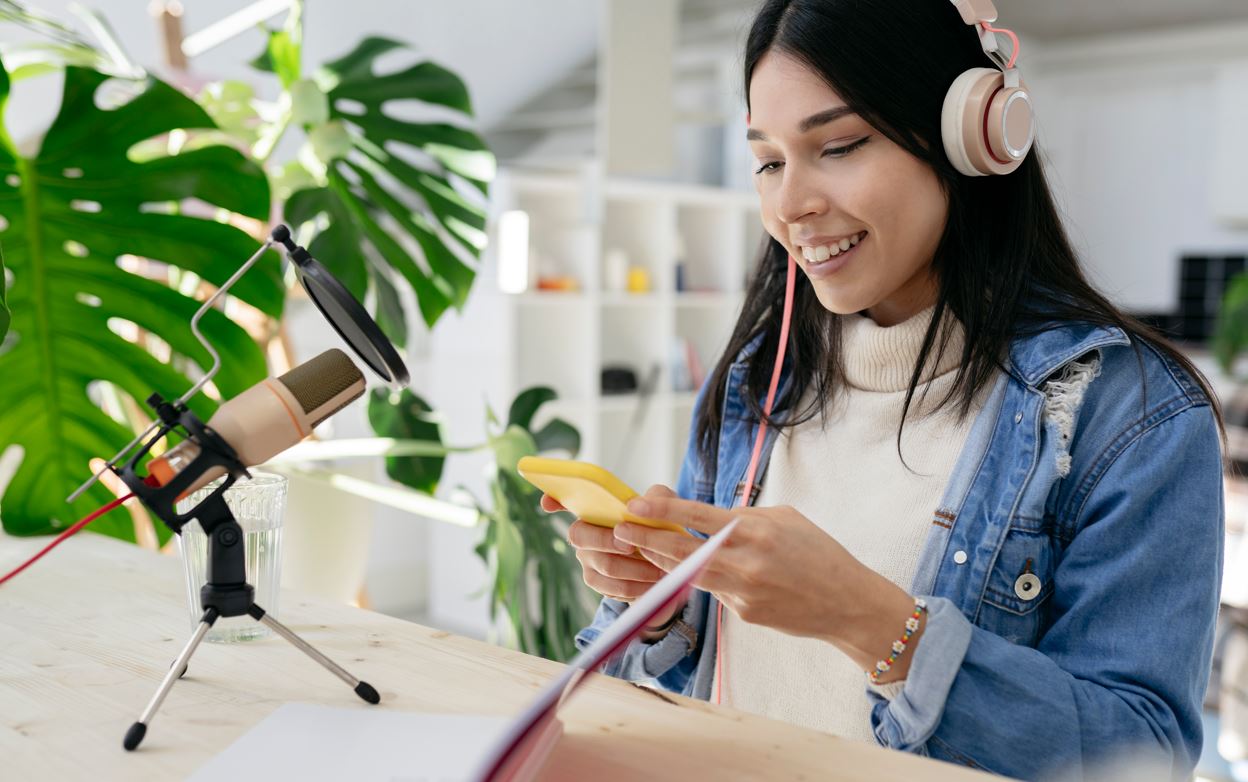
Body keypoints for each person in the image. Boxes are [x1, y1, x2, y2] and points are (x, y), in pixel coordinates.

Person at [542, 1, 1227, 778]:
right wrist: (665, 614)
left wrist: (870, 623)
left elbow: (1142, 757)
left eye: (836, 146)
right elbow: (694, 682)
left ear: (973, 141)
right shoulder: (755, 380)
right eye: (768, 161)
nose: (790, 205)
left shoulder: (1130, 417)